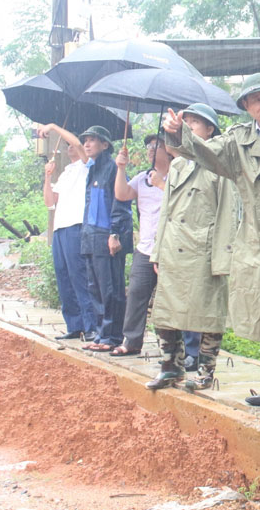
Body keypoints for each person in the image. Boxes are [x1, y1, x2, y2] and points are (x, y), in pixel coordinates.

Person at [163, 73, 260, 407]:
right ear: (246, 106)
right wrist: (178, 133)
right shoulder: (236, 140)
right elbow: (204, 152)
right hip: (256, 242)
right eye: (257, 100)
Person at [148, 103, 236, 391]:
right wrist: (157, 250)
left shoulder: (220, 165)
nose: (189, 128)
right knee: (165, 311)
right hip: (174, 249)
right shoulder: (176, 165)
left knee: (208, 313)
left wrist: (224, 257)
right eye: (187, 122)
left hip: (203, 249)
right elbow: (166, 212)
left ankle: (206, 371)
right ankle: (170, 366)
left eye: (196, 123)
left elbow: (227, 212)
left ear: (209, 129)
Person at [49, 124, 133, 352]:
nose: (86, 144)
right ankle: (100, 333)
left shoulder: (114, 168)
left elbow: (121, 203)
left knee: (111, 288)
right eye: (85, 140)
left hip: (108, 236)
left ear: (105, 144)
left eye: (92, 140)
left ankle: (112, 337)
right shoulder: (93, 169)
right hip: (89, 235)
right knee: (94, 287)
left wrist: (115, 233)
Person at [110, 134, 170, 357]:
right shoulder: (142, 177)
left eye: (156, 145)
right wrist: (121, 168)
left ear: (169, 148)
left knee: (172, 299)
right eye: (148, 146)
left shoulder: (180, 174)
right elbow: (122, 194)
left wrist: (162, 184)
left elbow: (184, 202)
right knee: (136, 294)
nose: (150, 150)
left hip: (170, 248)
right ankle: (132, 340)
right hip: (145, 249)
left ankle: (174, 349)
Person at [40, 132, 95, 340]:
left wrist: (54, 126)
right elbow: (49, 202)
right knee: (63, 275)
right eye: (65, 145)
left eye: (69, 144)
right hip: (60, 227)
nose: (68, 147)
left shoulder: (85, 165)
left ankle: (91, 325)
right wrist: (47, 176)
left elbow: (79, 145)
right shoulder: (65, 172)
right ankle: (74, 324)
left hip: (76, 224)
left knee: (78, 274)